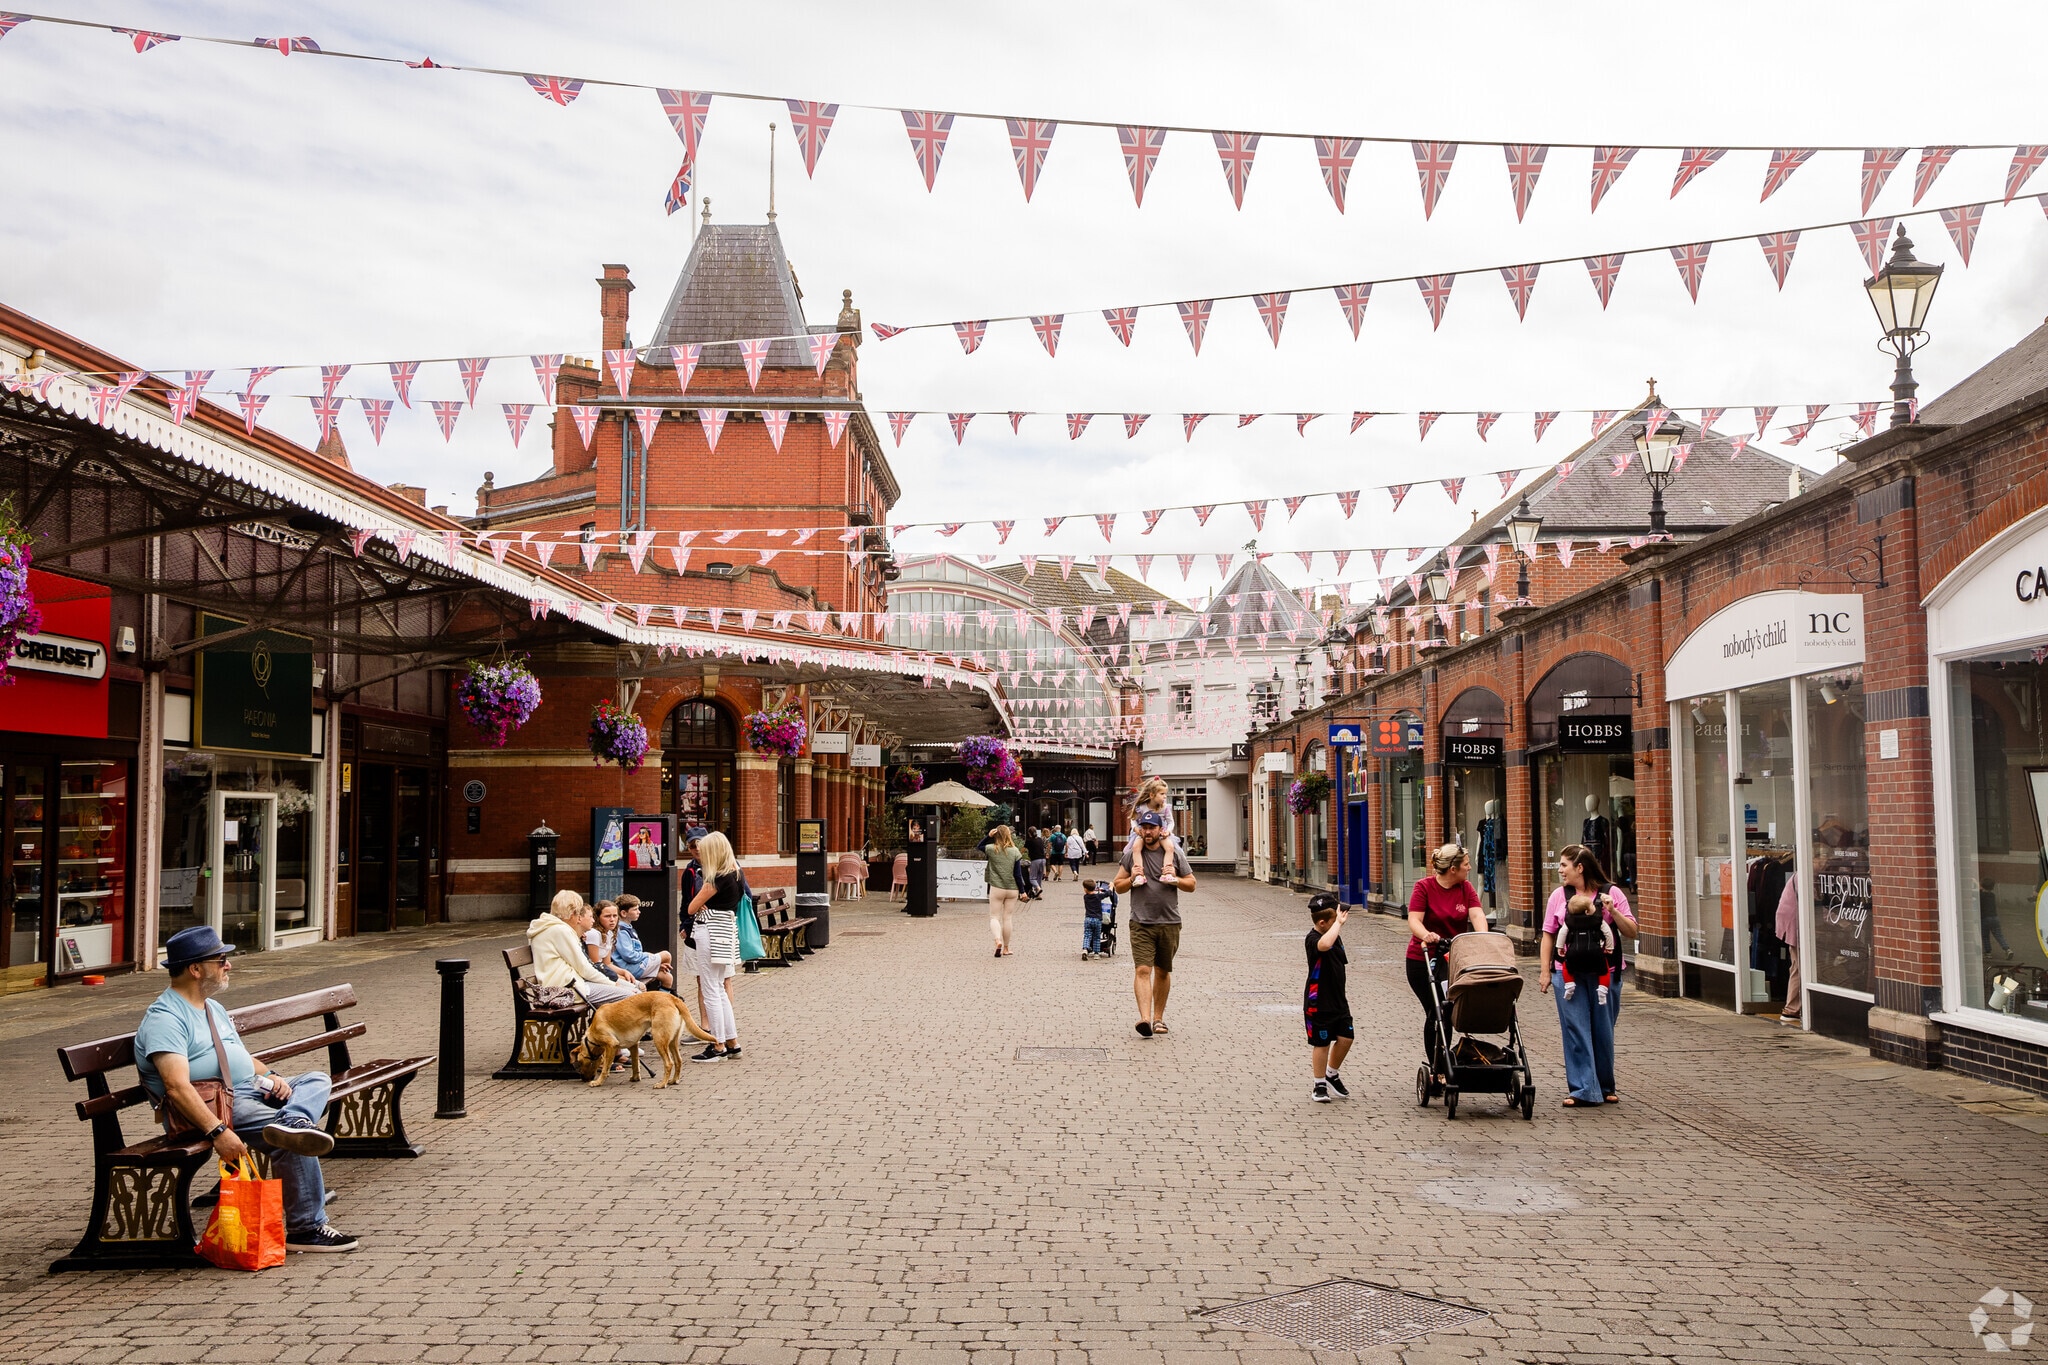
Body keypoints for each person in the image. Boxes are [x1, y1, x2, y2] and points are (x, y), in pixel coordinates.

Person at [135, 925, 358, 1252]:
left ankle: (293, 1119)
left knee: (315, 1080)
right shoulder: (166, 1019)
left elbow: (236, 1056)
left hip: (248, 1088)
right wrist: (218, 1132)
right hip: (215, 1105)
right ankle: (306, 1228)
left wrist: (273, 1076)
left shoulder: (211, 1007)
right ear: (195, 969)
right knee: (288, 1140)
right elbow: (177, 1087)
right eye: (220, 960)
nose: (228, 965)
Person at [1537, 843, 1637, 1107]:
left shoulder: (1611, 892)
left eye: (1564, 865)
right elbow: (1548, 935)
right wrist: (1545, 971)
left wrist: (1613, 911)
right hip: (1568, 973)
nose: (1560, 870)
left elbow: (1631, 931)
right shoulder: (1559, 896)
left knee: (1603, 1031)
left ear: (1580, 867)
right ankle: (1583, 1089)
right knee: (1576, 1030)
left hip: (1605, 973)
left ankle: (1604, 1086)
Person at [1406, 843, 1487, 1082]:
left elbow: (1477, 914)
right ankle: (1437, 1068)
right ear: (1453, 869)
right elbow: (1414, 919)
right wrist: (1426, 934)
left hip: (1454, 959)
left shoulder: (1465, 888)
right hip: (1424, 960)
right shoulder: (1424, 887)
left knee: (1448, 1010)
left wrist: (1484, 937)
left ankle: (1445, 1063)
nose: (1469, 868)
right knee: (1436, 1011)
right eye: (1466, 865)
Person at [1113, 809, 1195, 1037]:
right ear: (1140, 829)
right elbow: (1118, 885)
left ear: (1161, 829)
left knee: (1162, 971)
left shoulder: (1174, 854)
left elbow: (1192, 884)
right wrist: (1131, 879)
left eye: (1152, 828)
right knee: (1142, 969)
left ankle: (1158, 1018)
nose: (1148, 832)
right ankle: (1145, 1019)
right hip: (1141, 922)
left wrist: (1175, 879)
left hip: (1169, 922)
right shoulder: (1132, 855)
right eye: (1145, 828)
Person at [684, 832, 745, 1060]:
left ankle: (717, 1045)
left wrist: (701, 904)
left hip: (709, 932)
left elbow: (691, 908)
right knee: (719, 988)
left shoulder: (715, 878)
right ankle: (732, 1042)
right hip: (725, 932)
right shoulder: (736, 873)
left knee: (710, 990)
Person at [531, 891, 641, 1006]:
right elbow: (584, 968)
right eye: (578, 913)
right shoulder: (561, 930)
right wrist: (612, 984)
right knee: (633, 997)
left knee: (631, 993)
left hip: (564, 984)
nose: (579, 918)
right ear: (573, 913)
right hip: (569, 988)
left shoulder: (546, 927)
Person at [1303, 893, 1353, 1103]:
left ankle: (1332, 1074)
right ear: (1323, 923)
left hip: (1338, 999)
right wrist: (1338, 925)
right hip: (1318, 1002)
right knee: (1321, 1043)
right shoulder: (1313, 939)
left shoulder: (1334, 935)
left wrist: (1336, 926)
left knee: (1346, 1037)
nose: (1339, 922)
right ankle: (1319, 1084)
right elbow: (1323, 945)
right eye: (1334, 919)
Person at [1558, 894, 1615, 1007]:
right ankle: (1602, 990)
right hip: (1595, 952)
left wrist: (1560, 947)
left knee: (1566, 967)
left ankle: (1569, 985)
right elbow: (1608, 933)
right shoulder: (1597, 920)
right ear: (1587, 911)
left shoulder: (1569, 921)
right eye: (1592, 905)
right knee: (1604, 970)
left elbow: (1562, 933)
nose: (1594, 907)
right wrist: (1609, 947)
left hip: (1574, 953)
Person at [611, 894, 674, 990]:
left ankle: (663, 997)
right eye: (635, 909)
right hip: (629, 968)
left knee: (667, 978)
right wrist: (647, 955)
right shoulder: (621, 931)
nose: (639, 912)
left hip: (635, 965)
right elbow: (629, 956)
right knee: (666, 955)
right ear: (624, 913)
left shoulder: (628, 928)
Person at [984, 824, 1024, 958]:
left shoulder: (991, 849)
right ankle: (1006, 948)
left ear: (996, 835)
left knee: (994, 917)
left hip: (997, 887)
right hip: (1012, 889)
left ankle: (998, 940)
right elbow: (1018, 874)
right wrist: (1022, 891)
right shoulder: (1015, 851)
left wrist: (988, 836)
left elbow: (979, 847)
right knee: (1008, 918)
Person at [1776, 876, 1803, 1026]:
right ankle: (1791, 1009)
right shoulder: (1803, 876)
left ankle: (1792, 1008)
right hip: (1794, 923)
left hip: (1792, 922)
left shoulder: (1800, 875)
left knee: (1796, 966)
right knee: (1799, 966)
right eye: (1820, 864)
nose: (1824, 865)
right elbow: (1811, 902)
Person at [1124, 779, 1175, 854]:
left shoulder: (1165, 808)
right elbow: (1133, 819)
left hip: (1161, 833)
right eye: (1162, 794)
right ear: (1152, 795)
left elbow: (1171, 822)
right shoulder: (1142, 807)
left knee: (1170, 847)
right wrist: (1135, 828)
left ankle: (1170, 861)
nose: (1165, 797)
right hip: (1144, 833)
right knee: (1136, 847)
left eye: (1165, 794)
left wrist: (1168, 831)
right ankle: (1137, 861)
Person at [585, 901, 629, 982]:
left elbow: (607, 963)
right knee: (632, 987)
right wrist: (619, 977)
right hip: (594, 976)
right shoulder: (593, 934)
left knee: (637, 984)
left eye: (615, 916)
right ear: (597, 917)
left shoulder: (609, 933)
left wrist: (624, 972)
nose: (612, 919)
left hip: (605, 973)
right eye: (607, 916)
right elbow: (596, 965)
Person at [1081, 879, 1110, 958]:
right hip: (1097, 920)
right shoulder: (1098, 896)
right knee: (1096, 937)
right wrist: (1111, 887)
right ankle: (1096, 953)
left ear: (1085, 889)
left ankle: (1085, 949)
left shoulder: (1085, 897)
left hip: (1088, 919)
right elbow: (1108, 893)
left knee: (1087, 935)